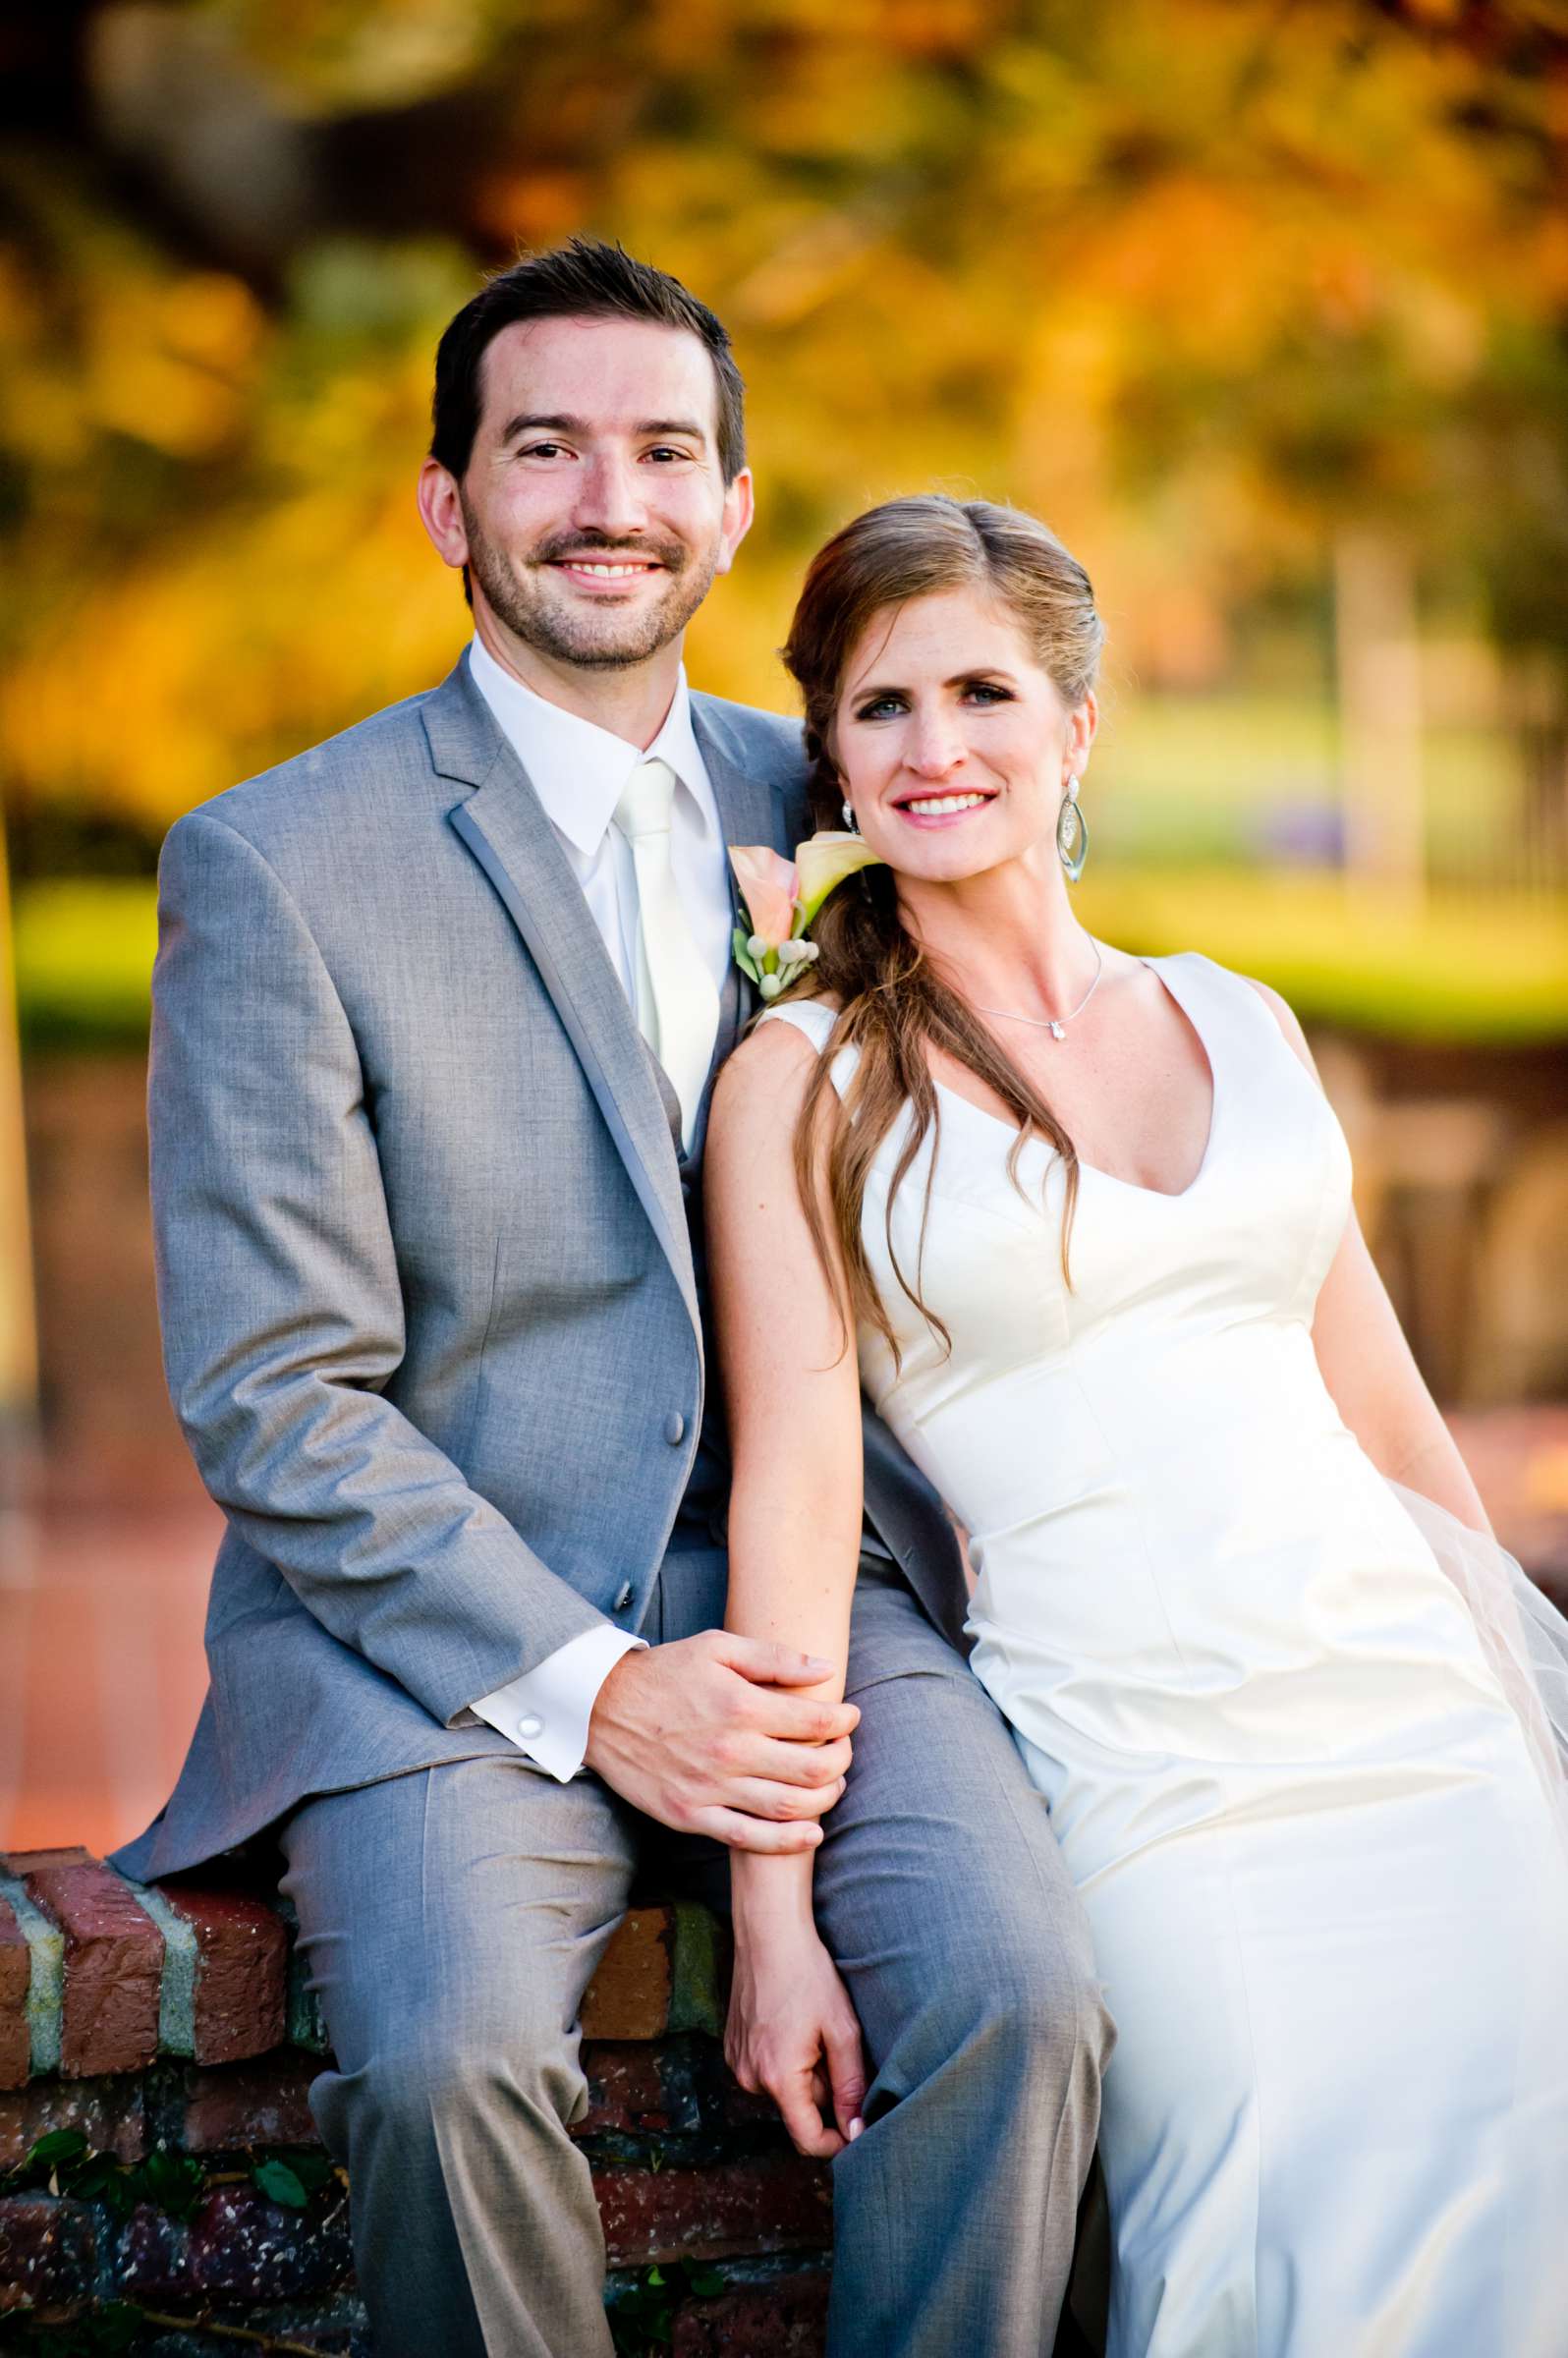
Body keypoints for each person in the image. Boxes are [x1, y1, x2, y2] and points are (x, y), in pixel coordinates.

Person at [106, 251, 1110, 2358]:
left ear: (735, 508)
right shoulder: (279, 864)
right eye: (541, 447)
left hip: (817, 1589)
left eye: (663, 450)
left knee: (1024, 1999)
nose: (606, 499)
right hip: (440, 1644)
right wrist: (592, 1687)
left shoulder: (843, 802)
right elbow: (279, 1396)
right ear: (448, 505)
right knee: (455, 2060)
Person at [707, 490, 1568, 2358]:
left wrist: (1525, 1717)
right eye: (881, 709)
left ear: (1078, 725)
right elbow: (797, 1488)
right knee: (1264, 2195)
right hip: (1150, 1778)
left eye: (984, 693)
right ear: (831, 754)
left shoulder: (1238, 1021)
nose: (936, 750)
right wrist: (769, 1910)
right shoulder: (803, 1086)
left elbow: (1397, 1423)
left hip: (1419, 1729)